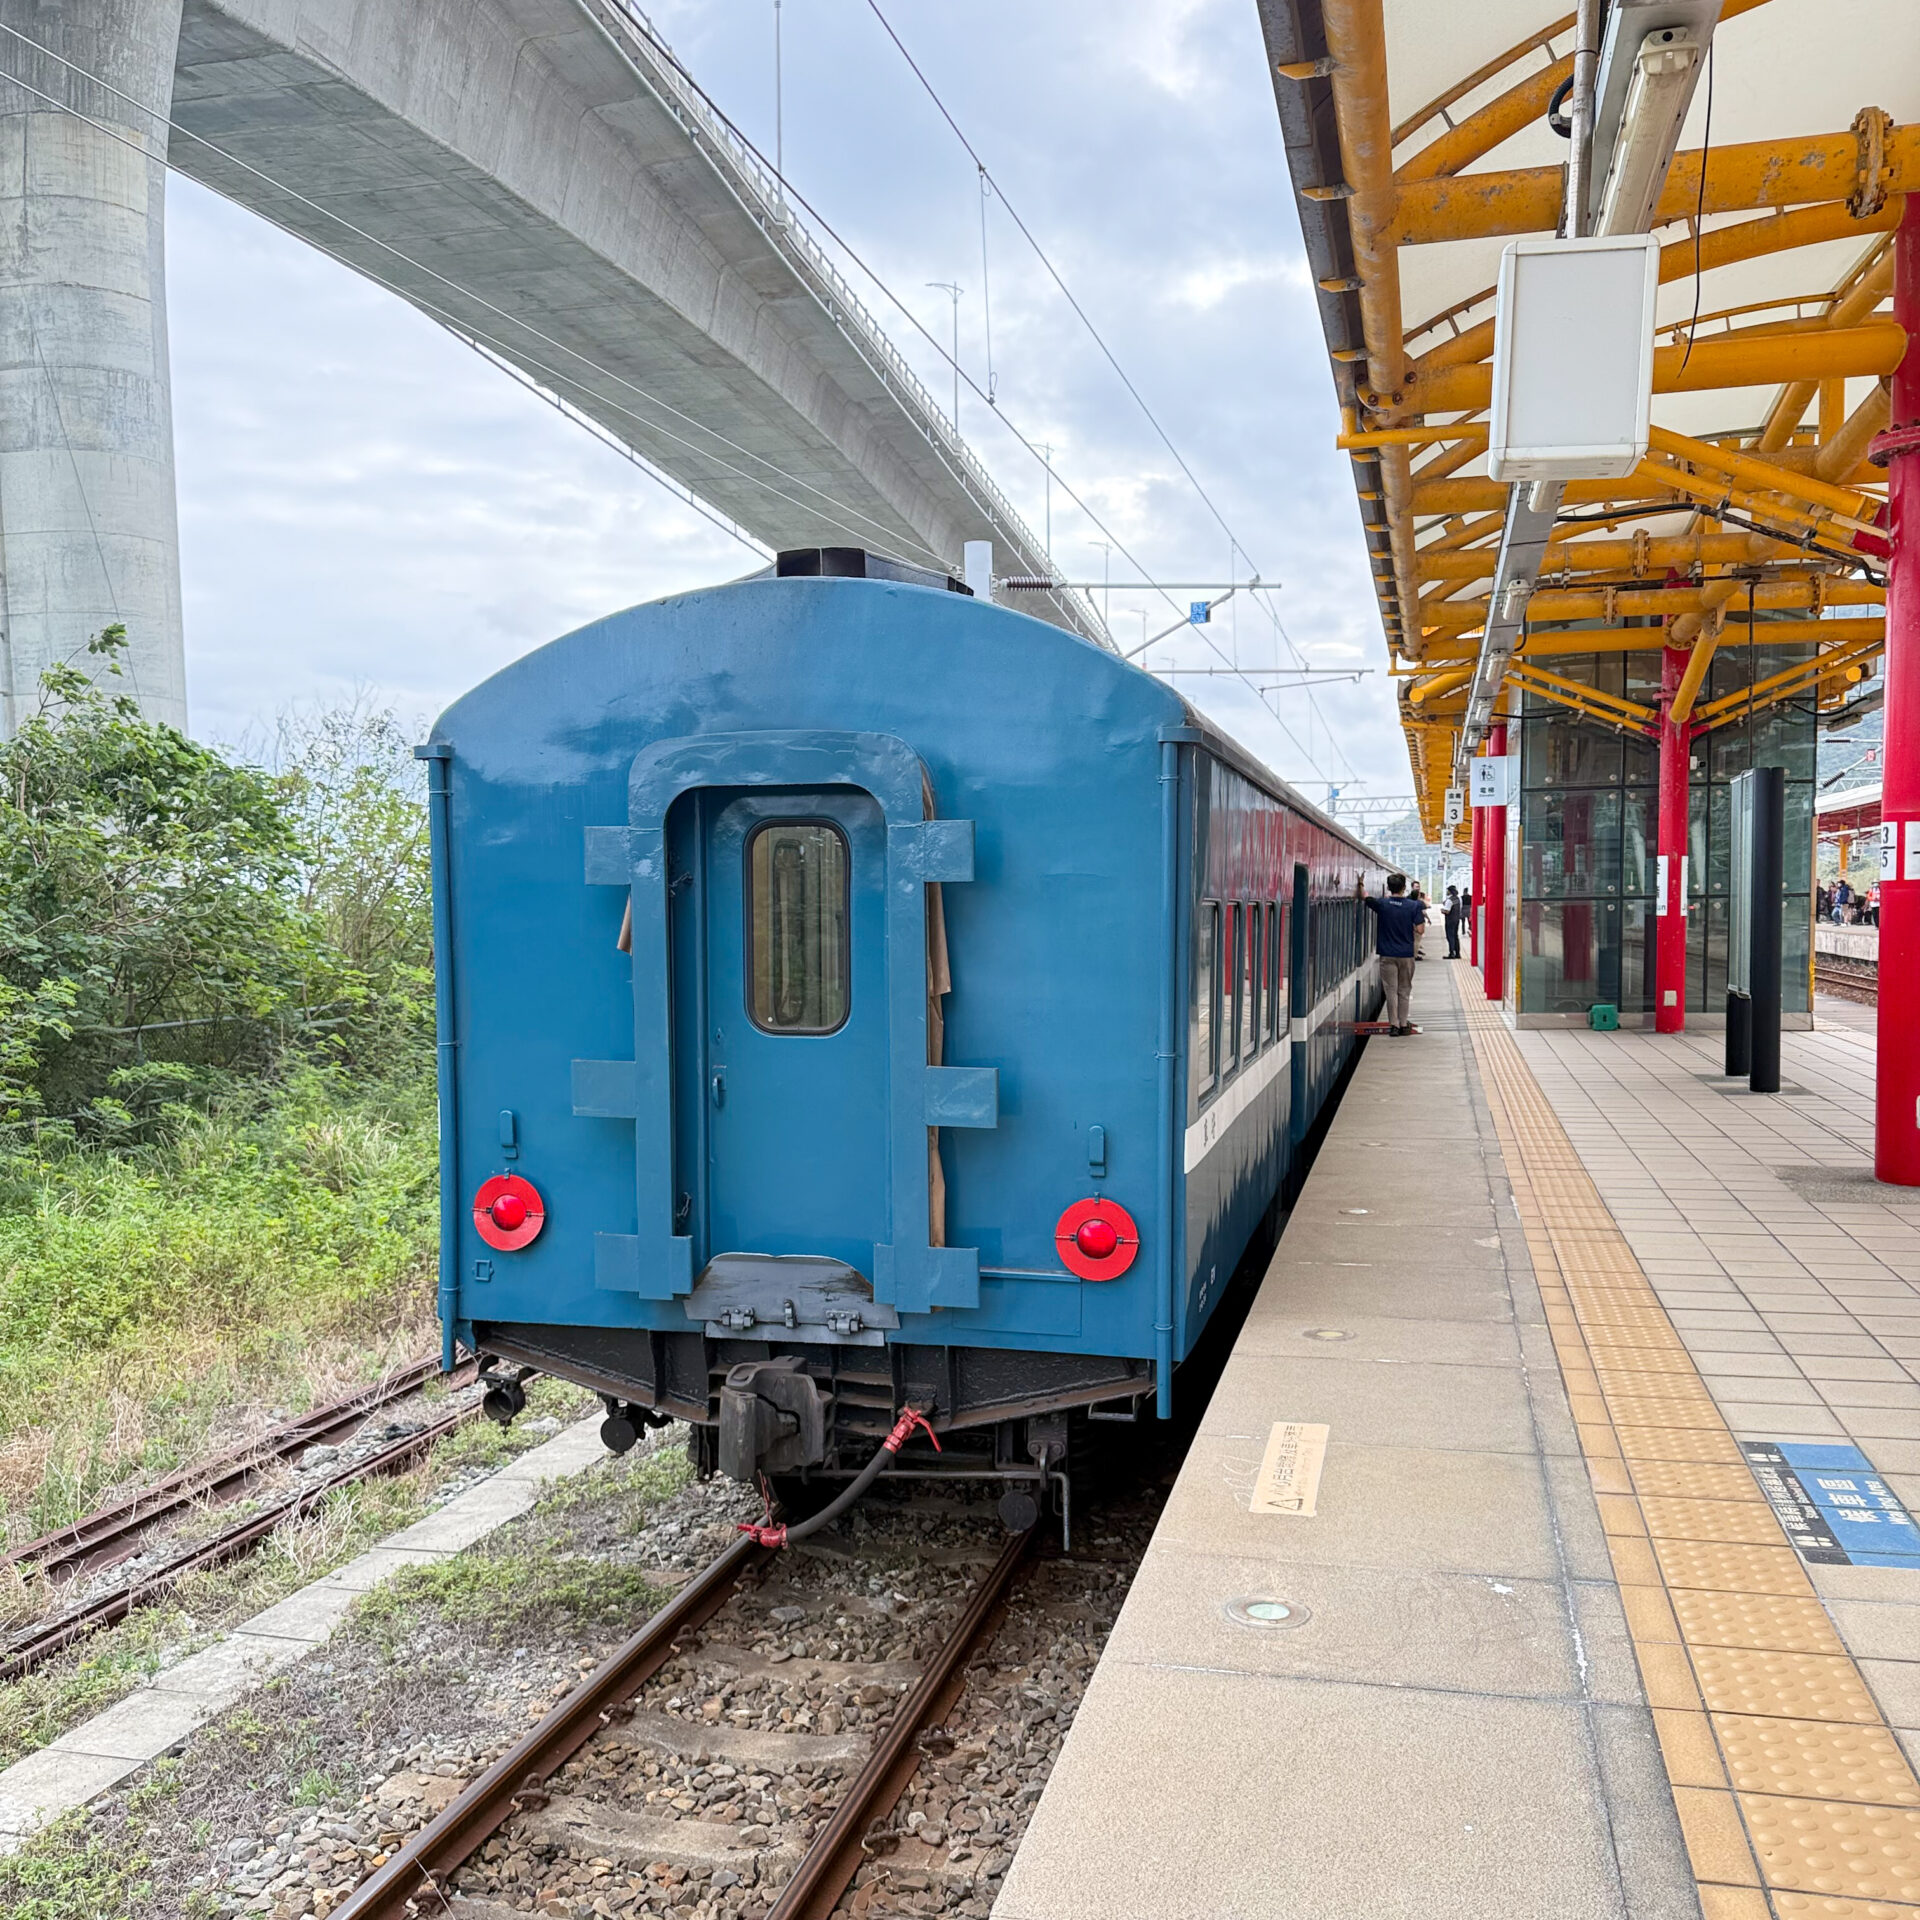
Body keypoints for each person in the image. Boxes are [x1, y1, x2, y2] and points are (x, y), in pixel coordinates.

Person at [1357, 873, 1423, 1036]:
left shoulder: (1382, 904)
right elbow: (1420, 929)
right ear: (1404, 888)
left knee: (1390, 990)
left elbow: (1364, 896)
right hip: (1406, 955)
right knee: (1404, 990)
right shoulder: (1413, 906)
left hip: (1387, 954)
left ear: (1388, 887)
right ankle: (1403, 1024)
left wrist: (1360, 883)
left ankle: (1393, 1025)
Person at [1444, 885, 1464, 959]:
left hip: (1450, 920)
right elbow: (1460, 908)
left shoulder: (1449, 900)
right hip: (1456, 919)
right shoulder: (1459, 899)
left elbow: (1447, 911)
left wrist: (1442, 910)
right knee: (1455, 936)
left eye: (1448, 890)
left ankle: (1451, 953)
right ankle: (1457, 953)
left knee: (1450, 936)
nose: (1447, 892)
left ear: (1450, 891)